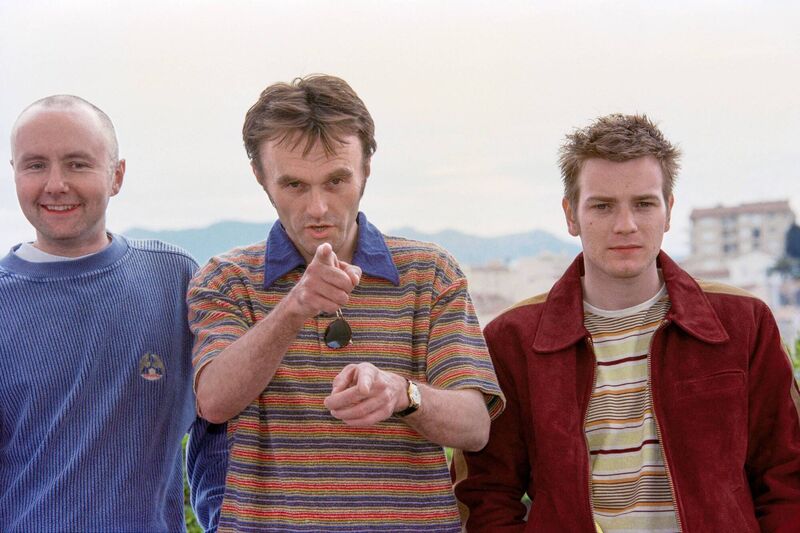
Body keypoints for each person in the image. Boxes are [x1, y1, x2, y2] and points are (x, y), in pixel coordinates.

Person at [187, 74, 504, 532]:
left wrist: (402, 394)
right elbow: (214, 401)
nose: (318, 207)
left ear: (367, 169)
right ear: (260, 178)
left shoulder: (430, 273)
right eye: (295, 185)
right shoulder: (227, 279)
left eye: (337, 180)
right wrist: (294, 308)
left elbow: (475, 427)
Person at [453, 113, 800, 532]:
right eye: (602, 206)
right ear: (571, 215)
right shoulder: (514, 340)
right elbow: (486, 494)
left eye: (643, 203)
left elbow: (787, 476)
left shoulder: (743, 323)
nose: (625, 225)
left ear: (668, 211)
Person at [0, 95, 208, 532]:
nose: (55, 184)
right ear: (15, 172)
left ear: (117, 176)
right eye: (35, 165)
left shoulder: (176, 279)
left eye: (77, 164)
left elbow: (221, 427)